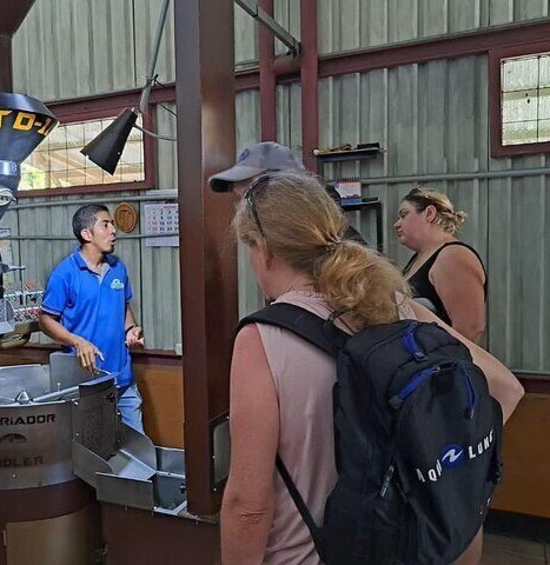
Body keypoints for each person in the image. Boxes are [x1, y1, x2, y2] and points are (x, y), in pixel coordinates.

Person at [220, 171, 524, 564]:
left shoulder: (261, 338)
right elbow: (505, 389)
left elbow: (248, 506)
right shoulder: (394, 305)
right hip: (402, 548)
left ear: (263, 249)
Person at [39, 204, 146, 433]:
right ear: (87, 234)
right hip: (86, 383)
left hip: (123, 378)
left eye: (113, 225)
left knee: (138, 449)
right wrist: (77, 342)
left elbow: (124, 306)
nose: (113, 231)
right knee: (95, 451)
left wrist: (131, 330)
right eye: (105, 225)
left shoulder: (119, 268)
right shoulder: (64, 274)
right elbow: (46, 321)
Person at [209, 141, 367, 245]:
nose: (239, 193)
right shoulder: (288, 239)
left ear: (288, 186)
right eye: (236, 187)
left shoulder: (327, 245)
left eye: (249, 185)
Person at [395, 187, 487, 343]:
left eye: (404, 215)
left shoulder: (452, 256)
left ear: (429, 213)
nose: (397, 224)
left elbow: (470, 329)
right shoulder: (418, 258)